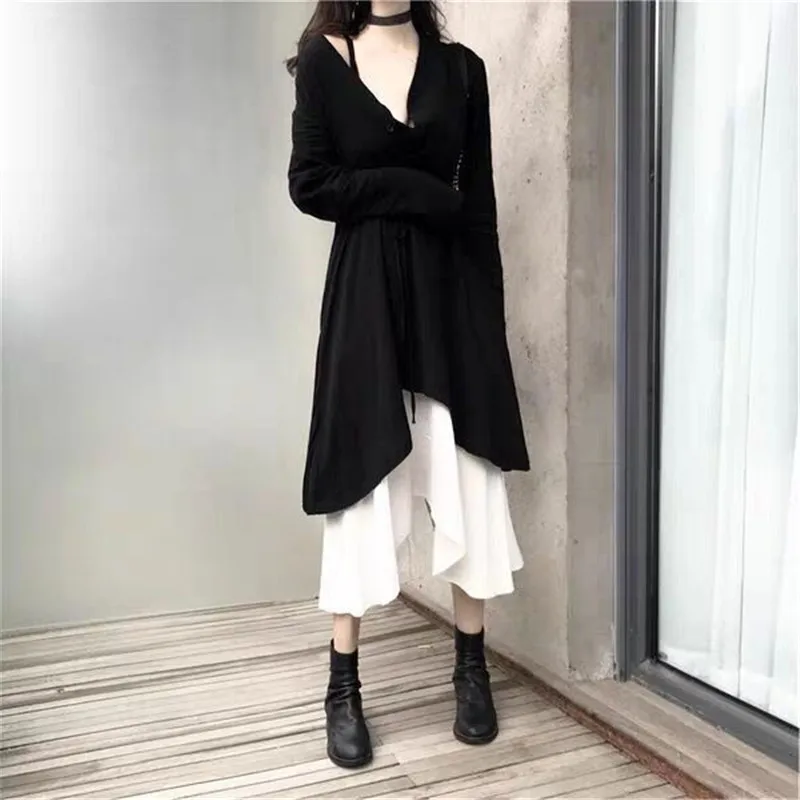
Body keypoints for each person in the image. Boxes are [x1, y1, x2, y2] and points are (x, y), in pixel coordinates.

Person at [286, 0, 529, 770]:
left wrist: (489, 323)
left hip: (451, 297)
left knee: (469, 477)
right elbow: (310, 183)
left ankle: (470, 668)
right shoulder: (325, 59)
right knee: (361, 487)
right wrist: (412, 190)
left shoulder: (463, 72)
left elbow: (479, 207)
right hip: (367, 298)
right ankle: (342, 686)